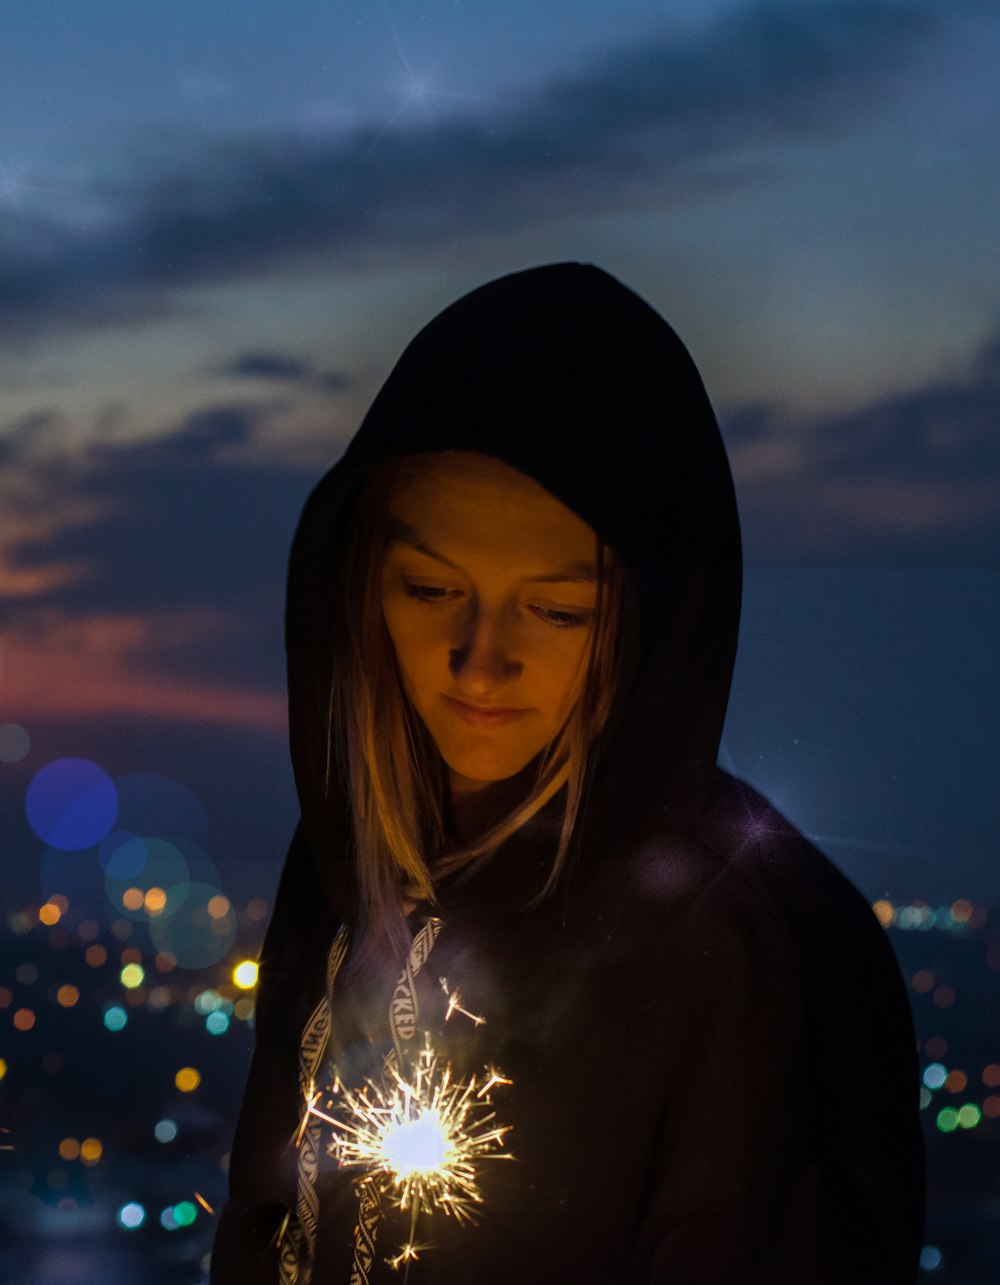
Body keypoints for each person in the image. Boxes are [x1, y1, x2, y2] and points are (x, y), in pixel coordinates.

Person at [211, 263, 926, 1284]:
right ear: (355, 586)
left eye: (555, 610)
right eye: (428, 588)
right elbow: (264, 1217)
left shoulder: (738, 949)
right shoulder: (348, 859)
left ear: (646, 625)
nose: (478, 660)